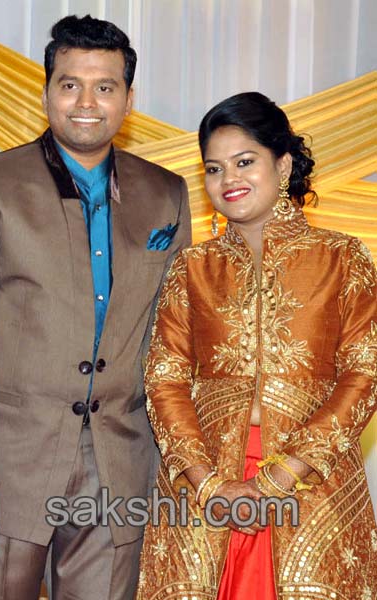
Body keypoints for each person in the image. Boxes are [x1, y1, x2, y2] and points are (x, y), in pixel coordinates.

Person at [0, 14, 191, 600]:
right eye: (70, 84)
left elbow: (174, 337)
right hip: (4, 463)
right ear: (46, 93)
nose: (86, 103)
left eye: (105, 87)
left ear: (128, 100)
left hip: (119, 464)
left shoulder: (166, 193)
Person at [137, 92, 377, 599]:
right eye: (214, 169)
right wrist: (208, 485)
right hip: (205, 492)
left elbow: (364, 373)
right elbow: (164, 377)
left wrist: (278, 479)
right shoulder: (192, 268)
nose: (229, 179)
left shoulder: (341, 258)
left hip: (312, 486)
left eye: (244, 162)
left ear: (283, 165)